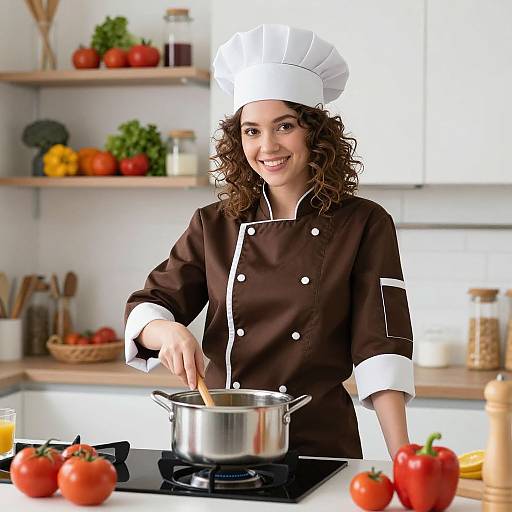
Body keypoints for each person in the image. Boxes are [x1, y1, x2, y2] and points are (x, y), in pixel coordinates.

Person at [124, 24, 415, 459]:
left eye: (284, 126)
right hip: (221, 443)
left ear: (315, 133)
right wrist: (166, 331)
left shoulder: (363, 224)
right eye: (252, 131)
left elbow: (382, 349)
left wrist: (404, 460)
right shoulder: (214, 224)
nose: (267, 146)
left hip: (320, 445)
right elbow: (151, 304)